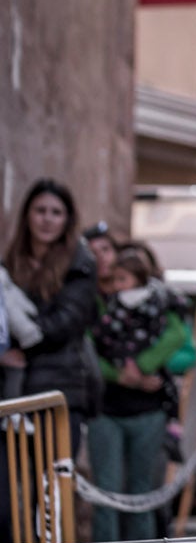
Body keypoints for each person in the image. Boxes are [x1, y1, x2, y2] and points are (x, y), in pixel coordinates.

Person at [86, 245, 191, 542]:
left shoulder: (159, 302)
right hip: (107, 407)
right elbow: (89, 346)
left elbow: (179, 339)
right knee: (106, 489)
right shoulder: (98, 302)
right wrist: (121, 375)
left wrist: (144, 368)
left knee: (142, 490)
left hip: (148, 408)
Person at [1, 180, 100, 449]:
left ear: (67, 219)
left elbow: (65, 323)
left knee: (53, 485)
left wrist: (20, 345)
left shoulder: (80, 263)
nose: (47, 219)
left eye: (56, 212)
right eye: (40, 210)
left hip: (60, 388)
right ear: (27, 215)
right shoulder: (9, 263)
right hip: (10, 392)